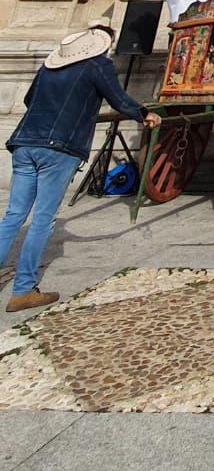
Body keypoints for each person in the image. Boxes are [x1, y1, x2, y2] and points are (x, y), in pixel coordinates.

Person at [1, 22, 161, 313]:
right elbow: (118, 99)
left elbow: (28, 99)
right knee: (43, 219)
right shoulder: (97, 66)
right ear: (104, 44)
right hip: (59, 147)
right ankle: (23, 289)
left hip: (24, 142)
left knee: (13, 215)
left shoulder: (49, 66)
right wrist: (145, 114)